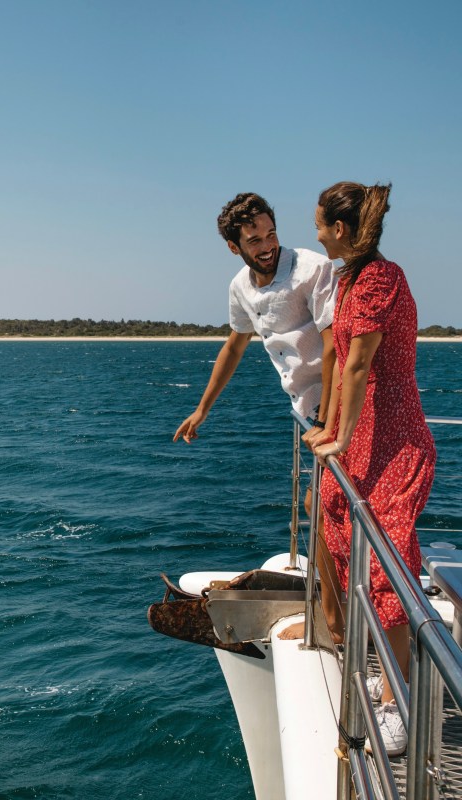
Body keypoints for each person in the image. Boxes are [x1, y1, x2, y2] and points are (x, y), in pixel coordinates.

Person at [310, 181, 436, 757]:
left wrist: (338, 435)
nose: (316, 235)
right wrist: (332, 427)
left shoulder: (380, 279)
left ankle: (399, 704)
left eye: (319, 225)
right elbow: (340, 365)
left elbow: (360, 363)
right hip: (364, 437)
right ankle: (379, 668)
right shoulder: (351, 279)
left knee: (387, 568)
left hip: (395, 440)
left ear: (339, 229)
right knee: (340, 529)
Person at [173, 193, 337, 441]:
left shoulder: (313, 269)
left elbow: (335, 345)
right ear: (233, 247)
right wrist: (202, 410)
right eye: (255, 241)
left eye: (271, 234)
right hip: (307, 411)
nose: (267, 247)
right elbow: (234, 348)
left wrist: (325, 423)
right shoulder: (239, 286)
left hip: (339, 405)